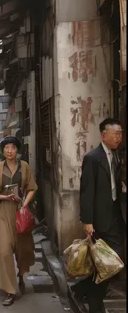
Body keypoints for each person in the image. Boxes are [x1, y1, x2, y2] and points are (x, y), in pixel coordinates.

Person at [71, 118, 125, 313]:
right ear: (104, 135)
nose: (118, 137)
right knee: (102, 265)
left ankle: (81, 288)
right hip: (98, 219)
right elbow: (86, 191)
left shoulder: (116, 155)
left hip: (115, 216)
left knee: (115, 261)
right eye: (115, 133)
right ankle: (95, 305)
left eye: (120, 133)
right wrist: (87, 220)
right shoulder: (93, 158)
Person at [0, 136, 37, 306]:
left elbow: (32, 188)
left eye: (13, 148)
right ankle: (10, 289)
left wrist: (24, 204)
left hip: (20, 211)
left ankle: (21, 274)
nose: (9, 151)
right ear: (2, 151)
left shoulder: (24, 166)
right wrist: (4, 196)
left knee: (22, 248)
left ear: (17, 150)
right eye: (6, 148)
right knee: (4, 250)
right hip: (4, 211)